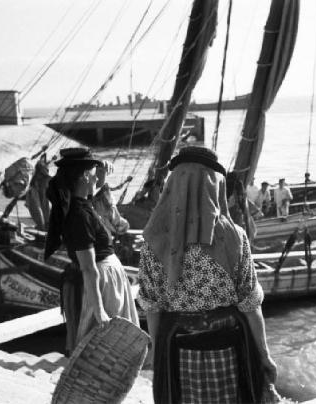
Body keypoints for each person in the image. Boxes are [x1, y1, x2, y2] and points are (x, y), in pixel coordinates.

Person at [139, 146, 278, 403]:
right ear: (215, 185)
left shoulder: (153, 240)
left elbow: (152, 308)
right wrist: (264, 354)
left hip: (176, 350)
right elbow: (250, 306)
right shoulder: (234, 237)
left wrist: (158, 352)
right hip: (228, 350)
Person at [44, 147, 139, 354]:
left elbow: (90, 193)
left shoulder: (81, 205)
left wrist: (101, 176)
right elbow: (88, 268)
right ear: (85, 176)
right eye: (94, 171)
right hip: (102, 284)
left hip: (107, 279)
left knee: (114, 350)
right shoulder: (79, 216)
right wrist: (100, 312)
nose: (97, 176)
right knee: (108, 349)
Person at [25, 153, 52, 230]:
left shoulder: (39, 181)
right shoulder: (46, 179)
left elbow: (37, 207)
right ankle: (44, 225)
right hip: (39, 188)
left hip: (40, 188)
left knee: (40, 206)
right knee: (41, 206)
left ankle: (43, 226)